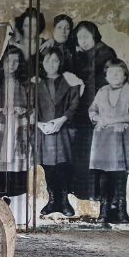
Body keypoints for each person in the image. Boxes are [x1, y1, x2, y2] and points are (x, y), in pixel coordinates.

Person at [88, 59, 129, 224]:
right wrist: (98, 118)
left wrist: (111, 120)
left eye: (118, 72)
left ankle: (121, 211)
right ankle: (104, 211)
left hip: (122, 140)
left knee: (120, 175)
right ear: (106, 75)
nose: (114, 75)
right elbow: (92, 111)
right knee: (104, 176)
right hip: (103, 141)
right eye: (110, 72)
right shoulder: (102, 91)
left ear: (125, 74)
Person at [69, 20, 118, 201]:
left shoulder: (104, 53)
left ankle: (98, 194)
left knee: (97, 153)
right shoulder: (84, 54)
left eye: (86, 36)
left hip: (99, 111)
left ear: (94, 35)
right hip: (83, 111)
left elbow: (104, 81)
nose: (83, 40)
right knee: (84, 153)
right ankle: (86, 192)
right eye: (79, 37)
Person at [36, 46, 80, 217]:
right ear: (43, 63)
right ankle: (52, 200)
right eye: (48, 60)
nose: (52, 64)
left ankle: (64, 201)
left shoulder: (70, 83)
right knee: (48, 168)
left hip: (62, 131)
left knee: (63, 167)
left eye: (55, 60)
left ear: (60, 62)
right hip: (44, 131)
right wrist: (39, 124)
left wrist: (61, 120)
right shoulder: (36, 85)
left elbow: (74, 105)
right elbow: (30, 107)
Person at [0, 46, 28, 197]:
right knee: (0, 151)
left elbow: (29, 105)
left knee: (15, 151)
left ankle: (15, 187)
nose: (12, 64)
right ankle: (0, 185)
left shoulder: (22, 84)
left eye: (16, 61)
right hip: (1, 123)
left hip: (16, 123)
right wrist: (0, 110)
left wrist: (21, 110)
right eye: (9, 60)